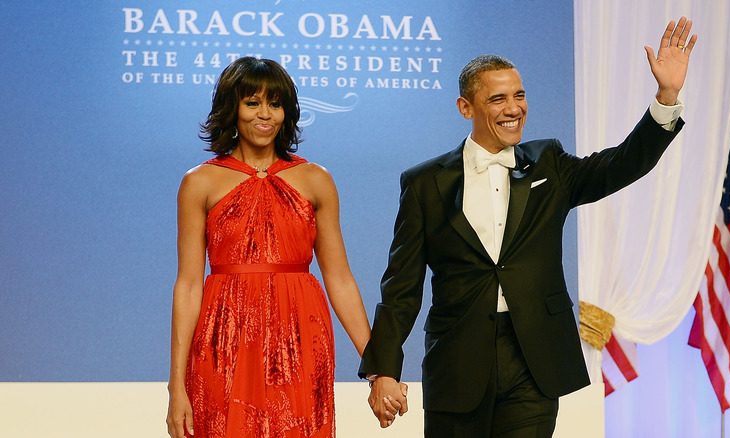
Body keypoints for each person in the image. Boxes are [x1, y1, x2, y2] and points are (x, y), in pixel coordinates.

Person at [359, 17, 698, 437]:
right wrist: (383, 372)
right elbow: (401, 288)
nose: (513, 108)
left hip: (533, 359)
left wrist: (666, 96)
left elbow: (621, 164)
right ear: (466, 107)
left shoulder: (548, 163)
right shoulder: (425, 182)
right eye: (498, 98)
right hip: (458, 362)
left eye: (519, 95)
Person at [165, 57, 372, 438]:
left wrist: (377, 366)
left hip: (300, 338)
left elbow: (340, 279)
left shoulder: (316, 179)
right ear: (233, 109)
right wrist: (176, 385)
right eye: (252, 102)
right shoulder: (200, 182)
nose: (265, 115)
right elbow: (189, 285)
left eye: (275, 104)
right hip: (222, 339)